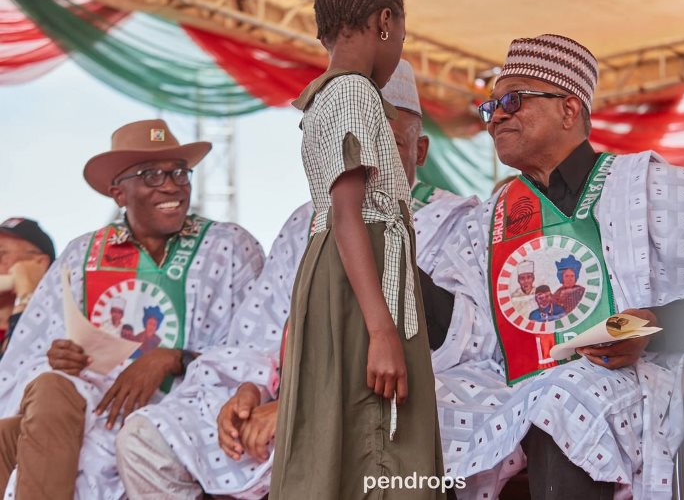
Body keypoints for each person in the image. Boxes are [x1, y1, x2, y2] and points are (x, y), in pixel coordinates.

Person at [115, 58, 473, 499]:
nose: (369, 162)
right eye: (355, 146)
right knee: (144, 440)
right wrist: (248, 389)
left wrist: (295, 407)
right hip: (283, 394)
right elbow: (260, 328)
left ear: (419, 151)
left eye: (387, 144)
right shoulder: (307, 220)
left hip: (382, 398)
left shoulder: (459, 223)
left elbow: (461, 346)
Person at [422, 35, 684, 499]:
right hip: (511, 388)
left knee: (561, 397)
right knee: (421, 411)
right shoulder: (488, 219)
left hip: (634, 379)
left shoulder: (650, 189)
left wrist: (657, 326)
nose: (496, 115)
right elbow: (469, 328)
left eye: (512, 100)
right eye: (491, 107)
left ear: (568, 110)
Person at [0, 119, 265, 499]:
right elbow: (23, 362)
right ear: (118, 194)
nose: (171, 185)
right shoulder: (81, 255)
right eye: (151, 175)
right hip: (92, 414)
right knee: (46, 390)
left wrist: (174, 358)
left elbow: (258, 347)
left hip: (190, 412)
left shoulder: (228, 246)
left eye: (179, 172)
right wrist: (57, 357)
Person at [271, 0, 443, 497]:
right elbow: (349, 212)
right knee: (377, 440)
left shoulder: (329, 93)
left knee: (345, 436)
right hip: (359, 283)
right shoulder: (355, 93)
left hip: (350, 277)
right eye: (403, 36)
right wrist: (382, 330)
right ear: (384, 21)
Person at [0, 218, 55, 350]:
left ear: (39, 263)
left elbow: (17, 364)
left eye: (1, 254)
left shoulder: (58, 324)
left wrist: (25, 295)